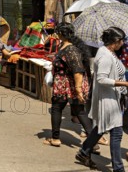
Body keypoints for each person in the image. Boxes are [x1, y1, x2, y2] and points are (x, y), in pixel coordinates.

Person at [76, 27, 128, 171]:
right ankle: (118, 168)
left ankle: (84, 151)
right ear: (115, 41)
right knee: (116, 133)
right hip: (107, 99)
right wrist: (123, 83)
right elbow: (101, 79)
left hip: (112, 97)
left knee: (101, 127)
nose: (123, 43)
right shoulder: (105, 55)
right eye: (121, 40)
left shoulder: (109, 52)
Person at [44, 22, 93, 147]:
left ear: (61, 34)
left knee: (77, 111)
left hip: (68, 86)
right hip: (63, 84)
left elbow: (78, 71)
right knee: (61, 109)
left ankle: (93, 142)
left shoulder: (71, 49)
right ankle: (93, 142)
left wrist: (78, 90)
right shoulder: (64, 46)